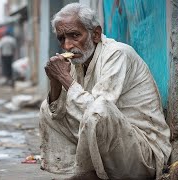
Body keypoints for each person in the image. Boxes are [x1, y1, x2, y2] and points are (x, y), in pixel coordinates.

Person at [40, 3, 171, 180]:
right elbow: (62, 112)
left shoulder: (117, 54)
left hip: (143, 153)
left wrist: (65, 79)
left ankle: (88, 174)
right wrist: (55, 82)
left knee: (99, 108)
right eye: (62, 38)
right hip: (111, 149)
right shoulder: (76, 63)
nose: (68, 45)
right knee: (48, 109)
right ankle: (73, 171)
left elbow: (98, 111)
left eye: (75, 35)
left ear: (95, 34)